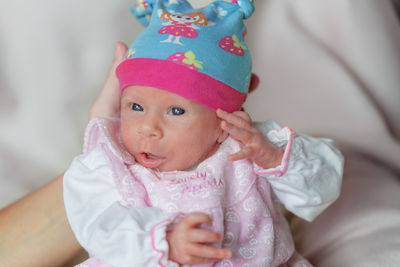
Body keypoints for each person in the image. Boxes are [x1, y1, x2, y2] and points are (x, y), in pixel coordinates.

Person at [63, 1, 343, 266]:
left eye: (176, 111)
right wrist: (163, 242)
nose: (148, 128)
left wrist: (273, 157)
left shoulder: (248, 146)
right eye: (135, 106)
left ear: (224, 122)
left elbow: (322, 186)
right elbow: (98, 224)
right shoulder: (111, 161)